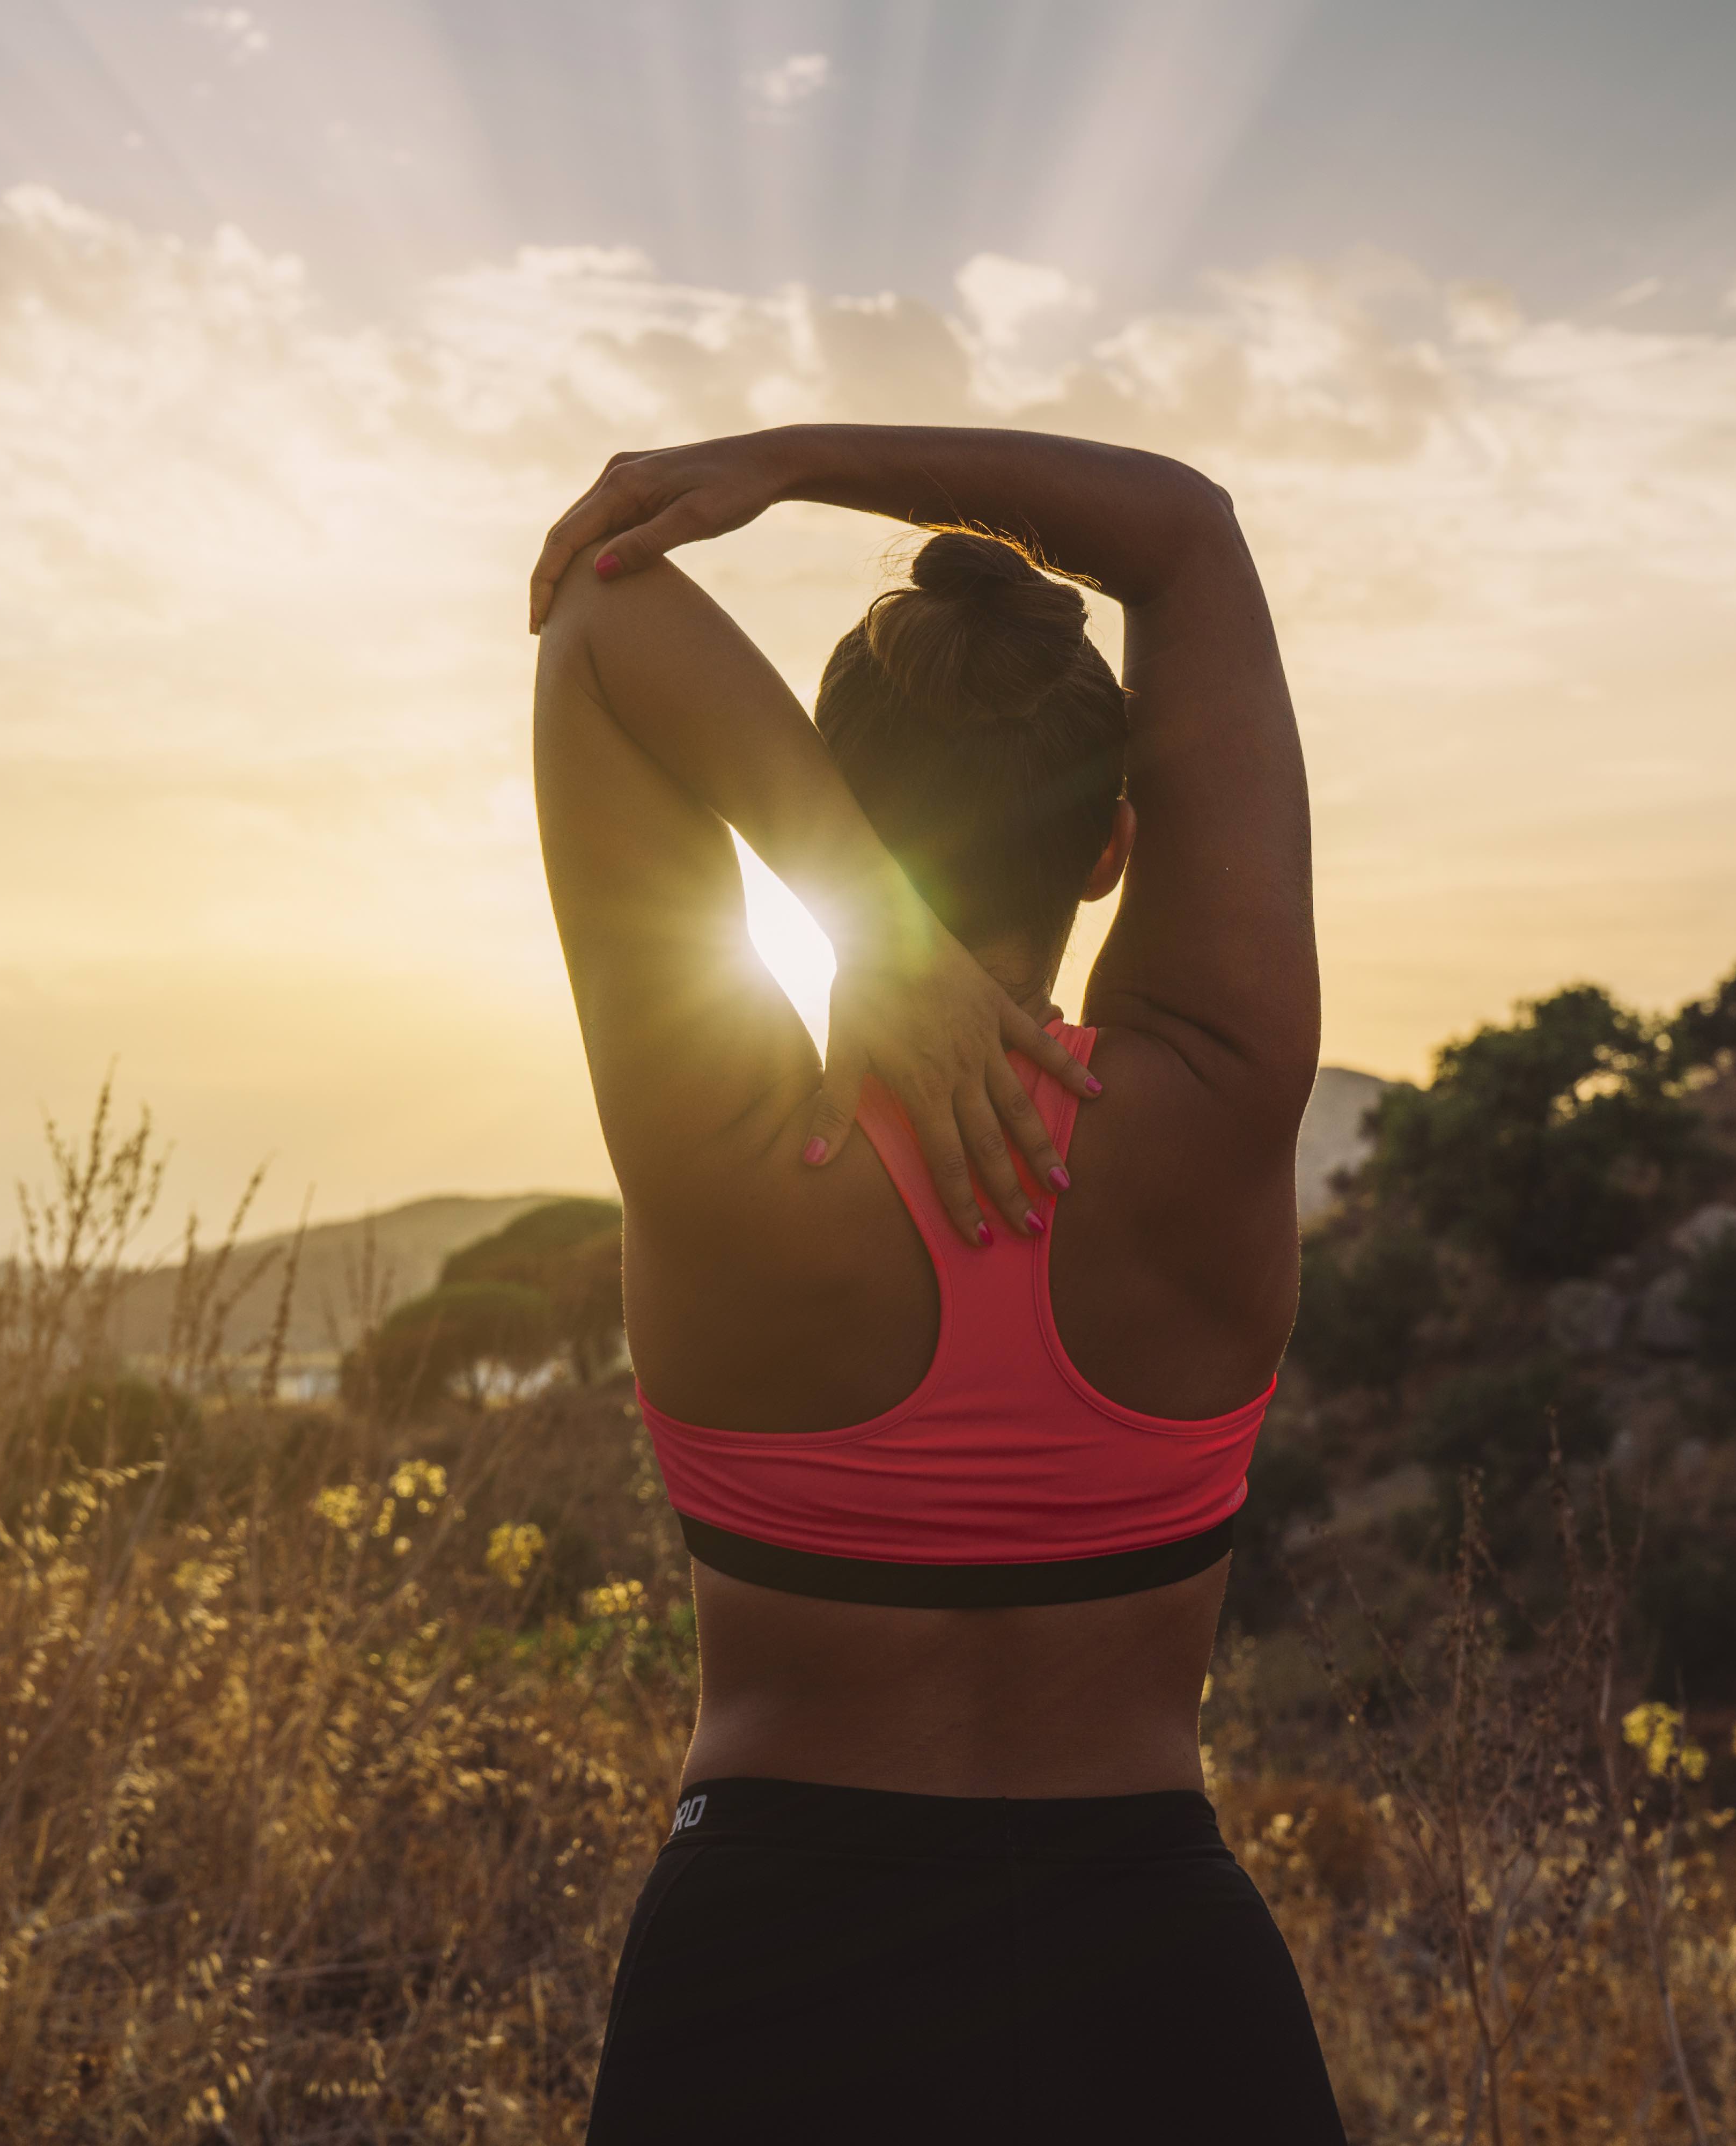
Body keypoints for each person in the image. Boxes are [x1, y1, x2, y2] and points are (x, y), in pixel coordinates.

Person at [525, 425, 1344, 2143]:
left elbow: (604, 630)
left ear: (831, 825)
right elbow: (1185, 536)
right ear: (1114, 846)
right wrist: (791, 463)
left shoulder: (731, 1147)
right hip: (1157, 1990)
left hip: (767, 1982)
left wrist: (869, 917)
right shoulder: (1213, 1098)